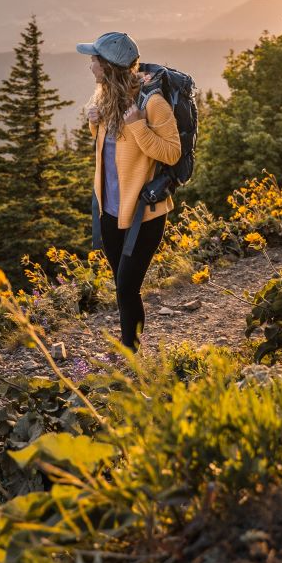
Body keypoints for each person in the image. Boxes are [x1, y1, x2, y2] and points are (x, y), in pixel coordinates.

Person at [76, 31, 181, 352]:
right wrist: (95, 124)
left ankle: (129, 355)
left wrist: (138, 125)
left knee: (126, 287)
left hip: (143, 215)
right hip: (109, 211)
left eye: (95, 59)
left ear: (109, 67)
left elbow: (171, 153)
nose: (90, 64)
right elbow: (114, 152)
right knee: (123, 285)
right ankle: (129, 350)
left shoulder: (153, 105)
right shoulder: (107, 100)